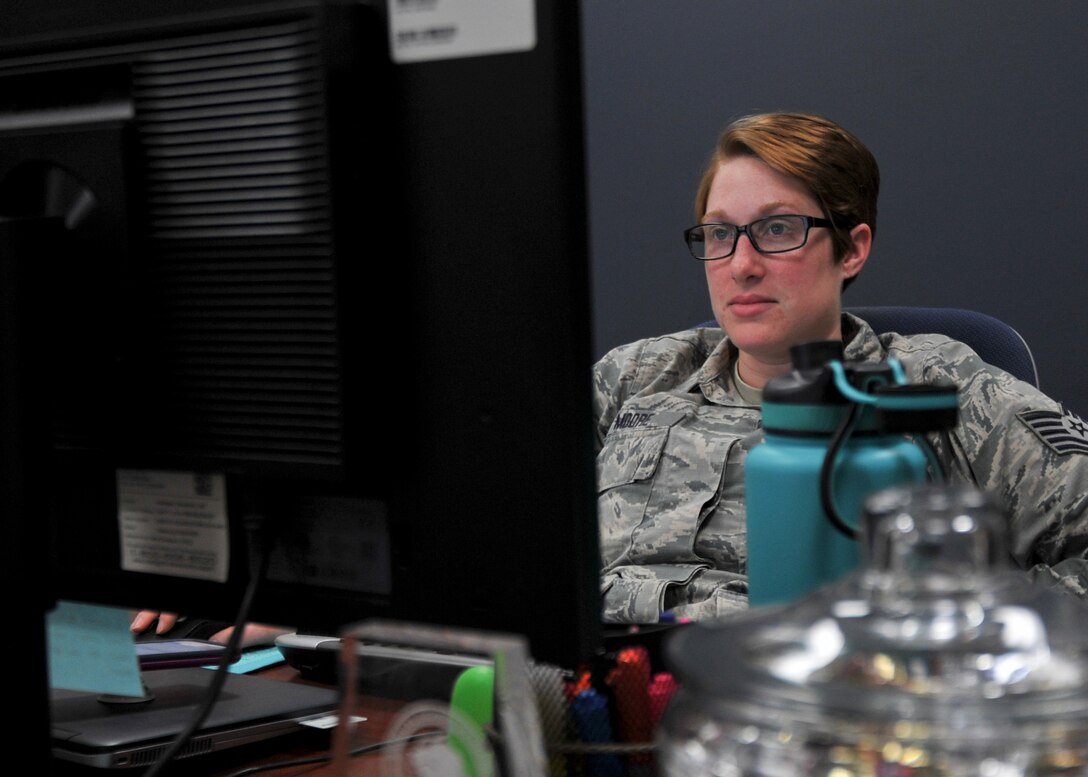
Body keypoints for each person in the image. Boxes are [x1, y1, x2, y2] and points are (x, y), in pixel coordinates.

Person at [594, 111, 1088, 624]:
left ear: (851, 249)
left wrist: (949, 634)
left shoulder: (937, 389)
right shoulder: (633, 379)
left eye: (778, 228)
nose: (741, 265)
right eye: (720, 234)